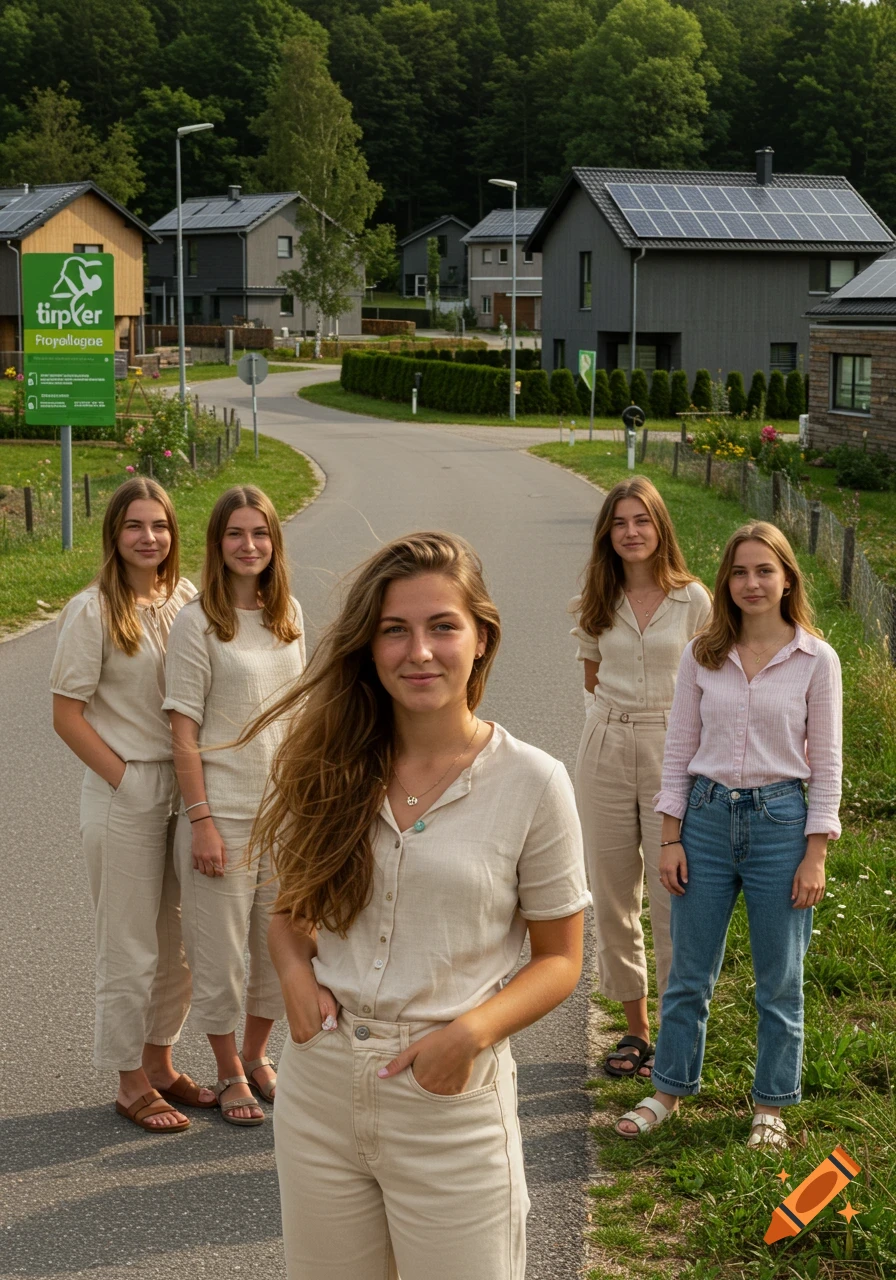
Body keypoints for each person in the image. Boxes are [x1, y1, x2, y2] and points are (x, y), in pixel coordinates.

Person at [244, 531, 590, 1280]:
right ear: (369, 647)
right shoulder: (329, 760)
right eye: (394, 630)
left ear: (481, 637)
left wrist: (470, 1034)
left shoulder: (533, 782)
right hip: (321, 1091)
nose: (419, 652)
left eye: (442, 627)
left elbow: (561, 958)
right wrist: (293, 978)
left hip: (450, 1098)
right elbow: (288, 909)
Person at [615, 521, 842, 1147]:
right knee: (688, 973)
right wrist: (671, 837)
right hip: (706, 824)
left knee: (780, 980)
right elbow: (678, 750)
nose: (751, 583)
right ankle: (668, 1089)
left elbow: (827, 764)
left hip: (781, 828)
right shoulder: (701, 655)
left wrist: (814, 855)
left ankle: (770, 1105)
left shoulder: (816, 660)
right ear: (726, 581)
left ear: (787, 577)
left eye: (764, 570)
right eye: (739, 572)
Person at [51, 476, 213, 1134]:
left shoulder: (188, 599)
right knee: (129, 943)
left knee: (180, 942)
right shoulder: (92, 609)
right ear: (114, 535)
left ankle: (161, 1063)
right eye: (135, 526)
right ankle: (127, 1079)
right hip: (129, 789)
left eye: (160, 526)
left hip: (189, 787)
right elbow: (67, 714)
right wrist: (125, 778)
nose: (149, 538)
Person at [164, 486, 306, 1126]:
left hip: (284, 816)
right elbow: (182, 732)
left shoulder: (289, 616)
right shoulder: (197, 623)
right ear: (217, 544)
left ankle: (255, 1055)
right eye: (235, 535)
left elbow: (300, 719)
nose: (249, 546)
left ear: (275, 544)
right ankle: (225, 1071)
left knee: (283, 948)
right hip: (221, 815)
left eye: (260, 534)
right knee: (220, 956)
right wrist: (201, 823)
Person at [570, 477, 710, 1080]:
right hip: (604, 742)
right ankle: (634, 1029)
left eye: (642, 522)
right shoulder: (596, 600)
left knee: (672, 891)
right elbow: (590, 677)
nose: (631, 533)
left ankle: (679, 1029)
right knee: (612, 890)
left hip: (672, 745)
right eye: (620, 523)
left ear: (660, 528)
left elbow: (712, 681)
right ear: (608, 533)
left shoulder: (695, 600)